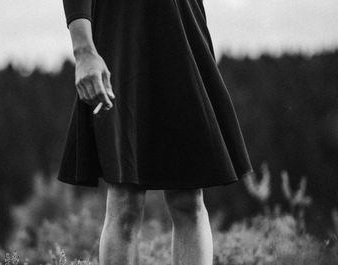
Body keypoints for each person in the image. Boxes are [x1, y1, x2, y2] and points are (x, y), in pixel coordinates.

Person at [58, 0, 254, 264]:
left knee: (188, 199)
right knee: (124, 200)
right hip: (120, 33)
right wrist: (83, 51)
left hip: (180, 29)